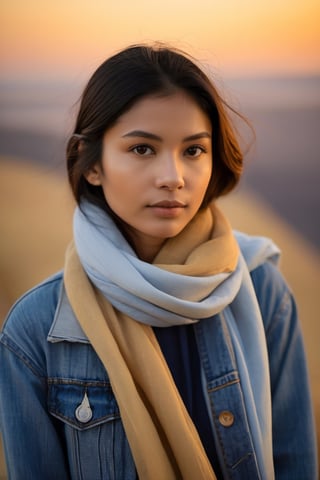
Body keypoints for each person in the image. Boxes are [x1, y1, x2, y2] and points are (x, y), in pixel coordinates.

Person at [0, 44, 317, 480]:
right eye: (143, 150)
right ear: (91, 164)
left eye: (193, 150)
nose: (173, 177)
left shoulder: (262, 290)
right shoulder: (36, 329)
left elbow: (295, 464)